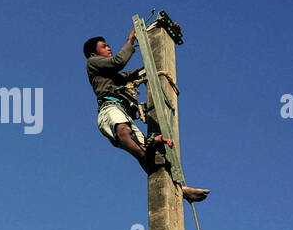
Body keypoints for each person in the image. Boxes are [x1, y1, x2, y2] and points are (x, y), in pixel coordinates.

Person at [84, 32, 208, 202]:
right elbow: (118, 63)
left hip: (123, 112)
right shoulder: (92, 63)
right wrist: (130, 41)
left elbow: (127, 75)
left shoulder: (111, 75)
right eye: (104, 46)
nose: (109, 47)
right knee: (124, 132)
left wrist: (150, 68)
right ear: (94, 54)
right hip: (109, 109)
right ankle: (146, 154)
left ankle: (180, 189)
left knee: (146, 155)